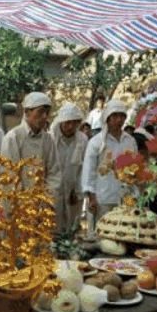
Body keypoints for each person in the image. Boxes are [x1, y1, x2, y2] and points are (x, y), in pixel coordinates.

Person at [81, 99, 137, 236]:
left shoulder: (130, 141)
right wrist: (91, 197)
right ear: (107, 118)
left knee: (123, 235)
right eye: (115, 116)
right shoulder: (96, 142)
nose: (119, 120)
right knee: (101, 235)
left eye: (122, 116)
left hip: (125, 198)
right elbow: (88, 171)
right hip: (102, 198)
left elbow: (136, 168)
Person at [0, 92, 61, 196]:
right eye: (40, 112)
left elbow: (54, 172)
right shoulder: (13, 137)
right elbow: (9, 175)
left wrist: (47, 197)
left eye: (47, 113)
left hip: (43, 204)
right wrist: (24, 203)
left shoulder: (48, 140)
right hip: (20, 205)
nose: (44, 116)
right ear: (27, 112)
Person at [49, 102, 88, 235]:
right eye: (67, 123)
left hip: (73, 189)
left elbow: (83, 168)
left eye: (74, 123)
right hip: (53, 190)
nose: (70, 127)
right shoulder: (50, 139)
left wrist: (77, 190)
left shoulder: (82, 140)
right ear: (61, 122)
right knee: (53, 225)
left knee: (72, 225)